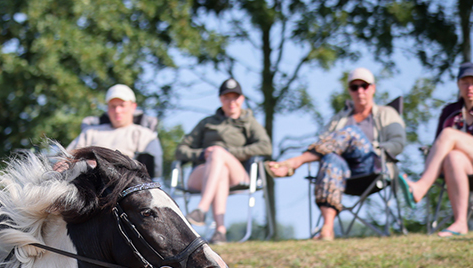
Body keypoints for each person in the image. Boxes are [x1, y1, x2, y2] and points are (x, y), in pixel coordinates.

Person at [266, 67, 406, 241]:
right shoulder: (339, 118)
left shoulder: (387, 114)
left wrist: (374, 147)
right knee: (331, 158)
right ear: (349, 91)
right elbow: (325, 143)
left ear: (373, 88)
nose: (360, 91)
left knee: (352, 132)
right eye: (354, 87)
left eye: (364, 86)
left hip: (372, 166)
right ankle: (327, 229)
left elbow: (398, 143)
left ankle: (297, 161)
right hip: (343, 173)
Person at [175, 78, 272, 243]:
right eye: (227, 97)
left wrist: (230, 153)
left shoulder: (249, 122)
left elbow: (265, 147)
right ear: (221, 99)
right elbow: (181, 150)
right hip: (203, 173)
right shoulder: (207, 123)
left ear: (241, 99)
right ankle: (220, 231)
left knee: (219, 154)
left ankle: (201, 209)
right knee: (220, 170)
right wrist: (202, 154)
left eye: (235, 97)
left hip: (239, 174)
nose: (231, 101)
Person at [398, 62, 473, 237]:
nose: (469, 87)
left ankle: (420, 187)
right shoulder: (450, 111)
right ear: (458, 85)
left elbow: (445, 138)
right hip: (465, 167)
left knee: (449, 134)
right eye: (465, 82)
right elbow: (439, 146)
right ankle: (461, 222)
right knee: (453, 157)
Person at [67, 84, 163, 178]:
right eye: (113, 106)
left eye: (122, 105)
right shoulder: (90, 133)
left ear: (133, 107)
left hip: (126, 186)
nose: (117, 110)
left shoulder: (145, 136)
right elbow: (67, 157)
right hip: (89, 184)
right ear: (107, 108)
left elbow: (154, 171)